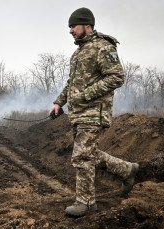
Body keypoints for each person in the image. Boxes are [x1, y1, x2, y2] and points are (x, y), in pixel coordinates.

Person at [49, 7, 139, 217]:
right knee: (89, 153)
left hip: (93, 112)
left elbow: (116, 77)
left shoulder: (102, 47)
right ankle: (128, 170)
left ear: (87, 26)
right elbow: (72, 83)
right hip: (79, 113)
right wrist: (58, 102)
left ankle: (86, 203)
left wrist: (86, 94)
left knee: (82, 156)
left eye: (73, 26)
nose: (70, 30)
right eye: (69, 27)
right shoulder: (79, 52)